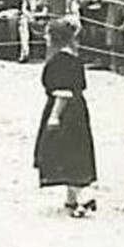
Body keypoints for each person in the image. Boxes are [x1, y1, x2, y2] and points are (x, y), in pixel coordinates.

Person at [32, 17, 97, 218]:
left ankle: (84, 198)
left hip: (65, 111)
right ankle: (71, 198)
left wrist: (54, 116)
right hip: (78, 110)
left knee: (64, 151)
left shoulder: (59, 61)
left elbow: (63, 92)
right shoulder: (74, 58)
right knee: (76, 150)